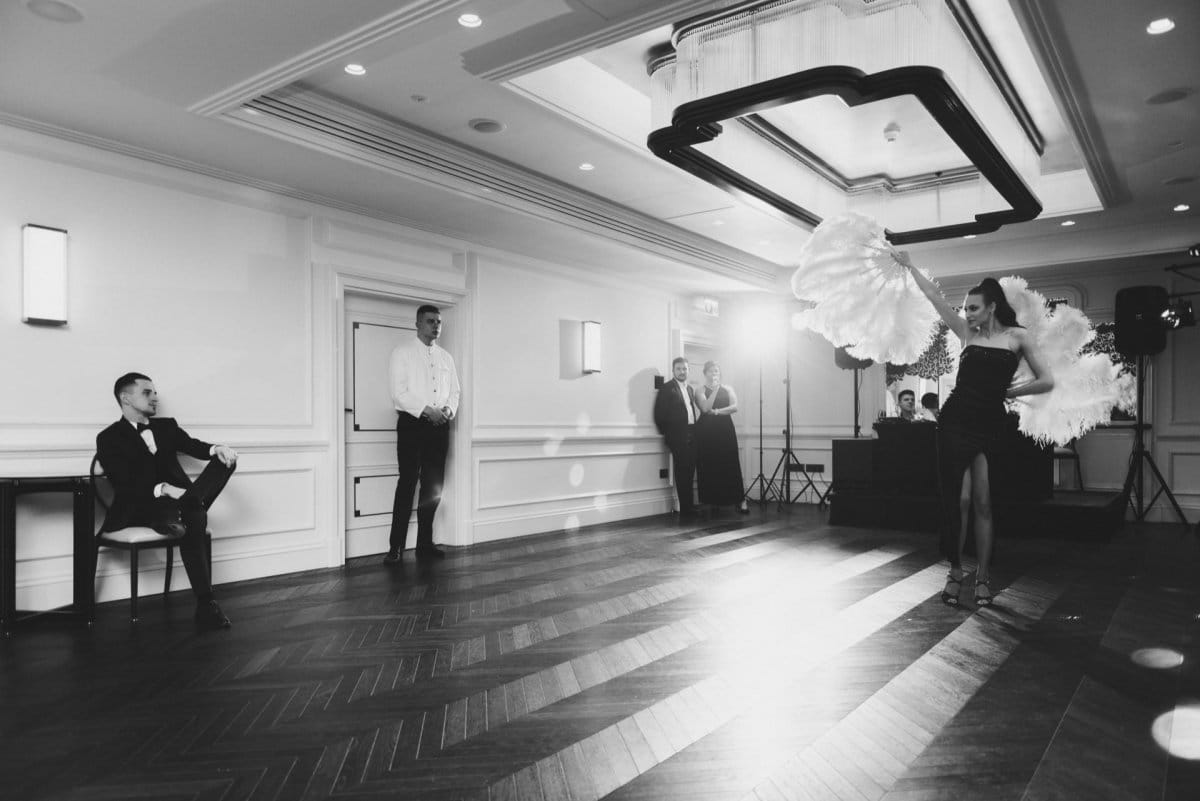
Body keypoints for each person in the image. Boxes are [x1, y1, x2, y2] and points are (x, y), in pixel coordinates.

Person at [900, 257, 1053, 607]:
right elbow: (935, 298)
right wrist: (909, 267)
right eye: (965, 308)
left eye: (973, 308)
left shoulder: (1017, 338)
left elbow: (1047, 380)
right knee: (960, 500)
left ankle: (983, 576)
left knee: (983, 502)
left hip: (989, 424)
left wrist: (1011, 393)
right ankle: (955, 572)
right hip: (953, 422)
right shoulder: (966, 333)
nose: (966, 313)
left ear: (991, 308)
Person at [96, 373, 238, 630]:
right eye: (147, 392)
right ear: (125, 398)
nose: (155, 397)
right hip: (140, 506)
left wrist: (217, 448)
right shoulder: (108, 437)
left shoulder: (167, 427)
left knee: (225, 462)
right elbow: (123, 483)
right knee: (194, 516)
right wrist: (163, 489)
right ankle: (207, 605)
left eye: (155, 392)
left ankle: (185, 508)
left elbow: (194, 446)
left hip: (179, 501)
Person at [385, 304, 461, 564]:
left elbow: (455, 392)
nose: (436, 326)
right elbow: (399, 394)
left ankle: (424, 545)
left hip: (440, 428)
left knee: (433, 487)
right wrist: (428, 410)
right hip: (412, 426)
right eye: (430, 321)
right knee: (407, 484)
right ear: (417, 323)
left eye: (439, 322)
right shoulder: (402, 353)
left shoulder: (446, 358)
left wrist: (448, 410)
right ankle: (395, 548)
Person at [695, 361, 749, 513]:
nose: (714, 374)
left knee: (730, 462)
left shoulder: (729, 388)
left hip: (725, 430)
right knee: (711, 465)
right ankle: (714, 501)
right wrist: (715, 390)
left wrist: (718, 412)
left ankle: (741, 500)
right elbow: (705, 408)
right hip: (706, 432)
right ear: (705, 373)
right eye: (711, 371)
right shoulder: (700, 390)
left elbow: (735, 407)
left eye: (717, 371)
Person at [653, 357, 700, 517]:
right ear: (673, 370)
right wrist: (670, 435)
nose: (682, 371)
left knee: (690, 471)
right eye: (679, 369)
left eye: (685, 369)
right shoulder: (667, 388)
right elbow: (658, 414)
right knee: (682, 472)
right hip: (677, 437)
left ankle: (690, 506)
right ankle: (686, 508)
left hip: (693, 434)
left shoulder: (690, 389)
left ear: (688, 370)